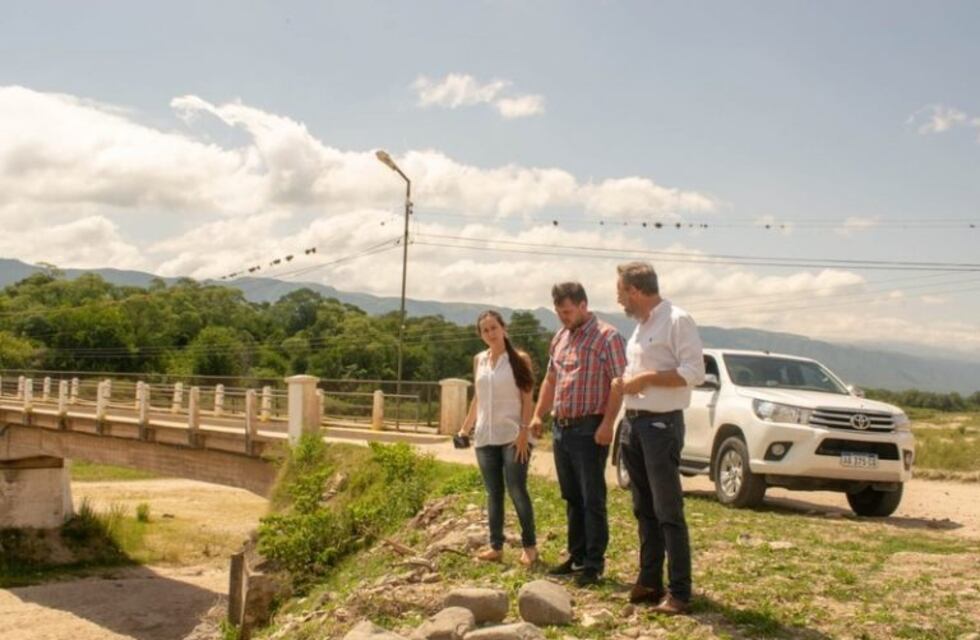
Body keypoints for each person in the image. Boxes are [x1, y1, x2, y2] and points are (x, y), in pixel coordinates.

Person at [613, 261, 705, 615]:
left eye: (621, 292)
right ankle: (650, 580)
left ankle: (679, 591)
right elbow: (637, 372)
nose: (619, 300)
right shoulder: (640, 327)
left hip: (661, 426)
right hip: (634, 424)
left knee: (667, 509)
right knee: (643, 507)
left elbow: (693, 372)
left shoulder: (678, 320)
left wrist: (647, 378)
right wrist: (626, 382)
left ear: (635, 290)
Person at [529, 282, 626, 587]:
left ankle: (594, 564)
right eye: (559, 312)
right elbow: (550, 379)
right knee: (571, 496)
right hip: (562, 428)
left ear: (584, 305)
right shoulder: (560, 337)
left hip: (590, 427)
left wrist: (608, 424)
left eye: (568, 311)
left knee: (591, 498)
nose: (563, 317)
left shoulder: (607, 337)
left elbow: (619, 384)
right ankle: (577, 556)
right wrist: (538, 414)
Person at [458, 310, 538, 566]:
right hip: (485, 436)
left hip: (514, 435)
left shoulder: (519, 359)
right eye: (485, 330)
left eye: (494, 327)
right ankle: (496, 546)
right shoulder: (479, 360)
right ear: (480, 335)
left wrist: (524, 432)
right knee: (493, 493)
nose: (490, 333)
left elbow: (527, 398)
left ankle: (530, 546)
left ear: (503, 328)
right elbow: (478, 398)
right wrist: (465, 429)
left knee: (517, 489)